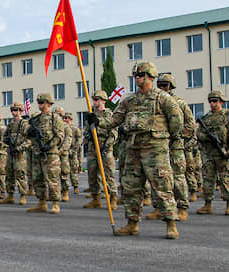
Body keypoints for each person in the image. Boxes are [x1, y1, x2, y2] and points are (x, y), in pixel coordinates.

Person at [88, 62, 183, 239]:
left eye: (141, 75)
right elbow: (115, 119)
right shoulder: (129, 100)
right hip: (133, 149)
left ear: (150, 77)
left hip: (155, 149)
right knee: (131, 187)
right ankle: (132, 223)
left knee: (162, 186)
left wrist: (167, 140)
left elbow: (176, 122)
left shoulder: (163, 99)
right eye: (136, 76)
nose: (137, 78)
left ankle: (170, 223)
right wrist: (98, 121)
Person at [147, 74, 194, 221]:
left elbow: (190, 125)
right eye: (159, 85)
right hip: (158, 146)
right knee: (157, 178)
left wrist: (177, 136)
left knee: (178, 177)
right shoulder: (153, 103)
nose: (162, 88)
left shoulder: (179, 103)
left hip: (175, 146)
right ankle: (159, 208)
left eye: (165, 85)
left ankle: (182, 207)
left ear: (171, 87)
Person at [26, 93, 65, 214]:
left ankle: (55, 203)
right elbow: (28, 135)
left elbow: (60, 136)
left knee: (52, 178)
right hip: (37, 153)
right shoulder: (35, 119)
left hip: (50, 153)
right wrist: (30, 132)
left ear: (48, 103)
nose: (40, 105)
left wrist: (49, 145)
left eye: (42, 102)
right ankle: (41, 203)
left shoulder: (55, 118)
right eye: (39, 103)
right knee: (38, 178)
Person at [195, 90, 229, 216]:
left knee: (225, 179)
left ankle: (228, 204)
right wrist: (207, 137)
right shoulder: (206, 118)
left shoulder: (226, 116)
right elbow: (198, 134)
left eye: (215, 101)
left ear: (221, 101)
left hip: (223, 153)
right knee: (208, 179)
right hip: (209, 154)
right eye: (210, 101)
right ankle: (207, 205)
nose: (212, 103)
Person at [83, 90, 118, 210]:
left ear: (103, 100)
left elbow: (113, 132)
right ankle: (96, 199)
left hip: (105, 148)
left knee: (108, 174)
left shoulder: (109, 115)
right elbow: (86, 129)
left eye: (97, 99)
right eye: (94, 99)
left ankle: (112, 197)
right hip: (93, 147)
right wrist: (87, 136)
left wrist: (107, 146)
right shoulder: (92, 115)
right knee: (92, 174)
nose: (95, 102)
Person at [0, 102, 30, 205]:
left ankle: (22, 196)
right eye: (13, 110)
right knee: (9, 174)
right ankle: (10, 195)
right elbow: (5, 137)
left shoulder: (24, 124)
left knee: (20, 174)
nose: (14, 112)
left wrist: (20, 148)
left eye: (16, 110)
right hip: (11, 152)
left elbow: (29, 140)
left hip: (20, 153)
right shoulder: (11, 124)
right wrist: (6, 143)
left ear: (20, 111)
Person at [53, 106, 73, 202]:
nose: (58, 117)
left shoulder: (66, 127)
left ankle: (65, 191)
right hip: (53, 153)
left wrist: (60, 151)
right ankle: (54, 193)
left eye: (60, 115)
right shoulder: (52, 127)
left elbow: (68, 141)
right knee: (52, 174)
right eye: (56, 114)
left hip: (63, 154)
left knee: (64, 173)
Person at [65, 113, 81, 194]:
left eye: (66, 118)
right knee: (64, 170)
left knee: (73, 170)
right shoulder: (63, 128)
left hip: (73, 151)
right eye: (64, 118)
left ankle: (75, 186)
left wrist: (74, 150)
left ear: (70, 119)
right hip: (65, 151)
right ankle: (65, 187)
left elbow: (79, 140)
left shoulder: (75, 128)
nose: (65, 119)